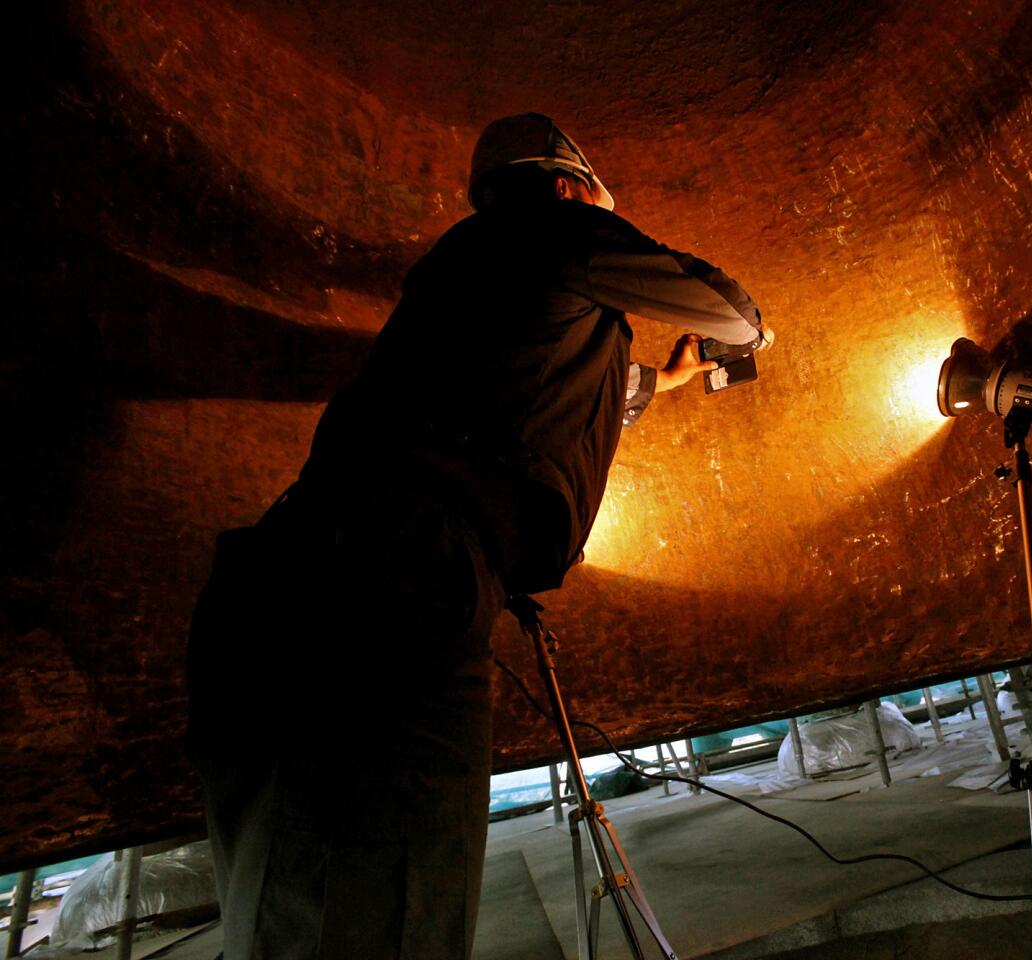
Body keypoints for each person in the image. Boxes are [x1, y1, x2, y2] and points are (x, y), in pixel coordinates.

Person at [185, 112, 769, 959]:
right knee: (384, 920)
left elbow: (528, 393)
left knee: (290, 921)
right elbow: (730, 310)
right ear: (569, 187)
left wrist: (661, 383)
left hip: (285, 587)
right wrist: (742, 328)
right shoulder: (553, 225)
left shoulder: (459, 283)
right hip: (394, 597)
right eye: (599, 204)